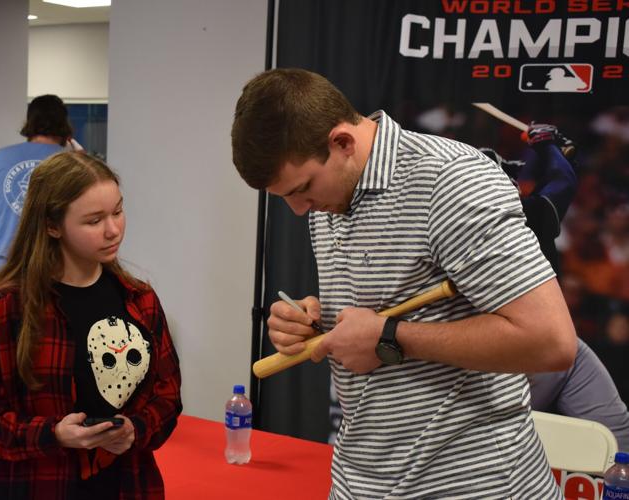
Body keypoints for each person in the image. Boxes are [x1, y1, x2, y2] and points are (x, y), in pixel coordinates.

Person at [231, 68, 577, 498]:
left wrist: (391, 338)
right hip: (361, 482)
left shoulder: (451, 181)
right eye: (285, 196)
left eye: (302, 189)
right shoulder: (332, 193)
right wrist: (314, 324)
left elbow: (551, 341)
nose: (299, 210)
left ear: (341, 142)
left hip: (475, 486)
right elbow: (383, 304)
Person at [0, 152, 182, 499]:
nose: (113, 229)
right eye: (94, 221)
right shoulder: (5, 310)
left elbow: (167, 395)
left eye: (118, 212)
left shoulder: (139, 299)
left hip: (129, 484)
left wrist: (135, 429)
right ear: (51, 225)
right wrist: (53, 434)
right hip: (38, 486)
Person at [482, 125, 629, 451]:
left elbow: (562, 180)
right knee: (616, 444)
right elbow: (562, 183)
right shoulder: (525, 214)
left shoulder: (446, 224)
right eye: (505, 176)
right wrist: (546, 144)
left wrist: (560, 155)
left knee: (615, 445)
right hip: (506, 363)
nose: (514, 182)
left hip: (528, 352)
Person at [0, 94, 72, 272]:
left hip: (2, 262)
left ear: (30, 121)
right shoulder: (70, 162)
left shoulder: (0, 157)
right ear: (63, 124)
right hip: (50, 265)